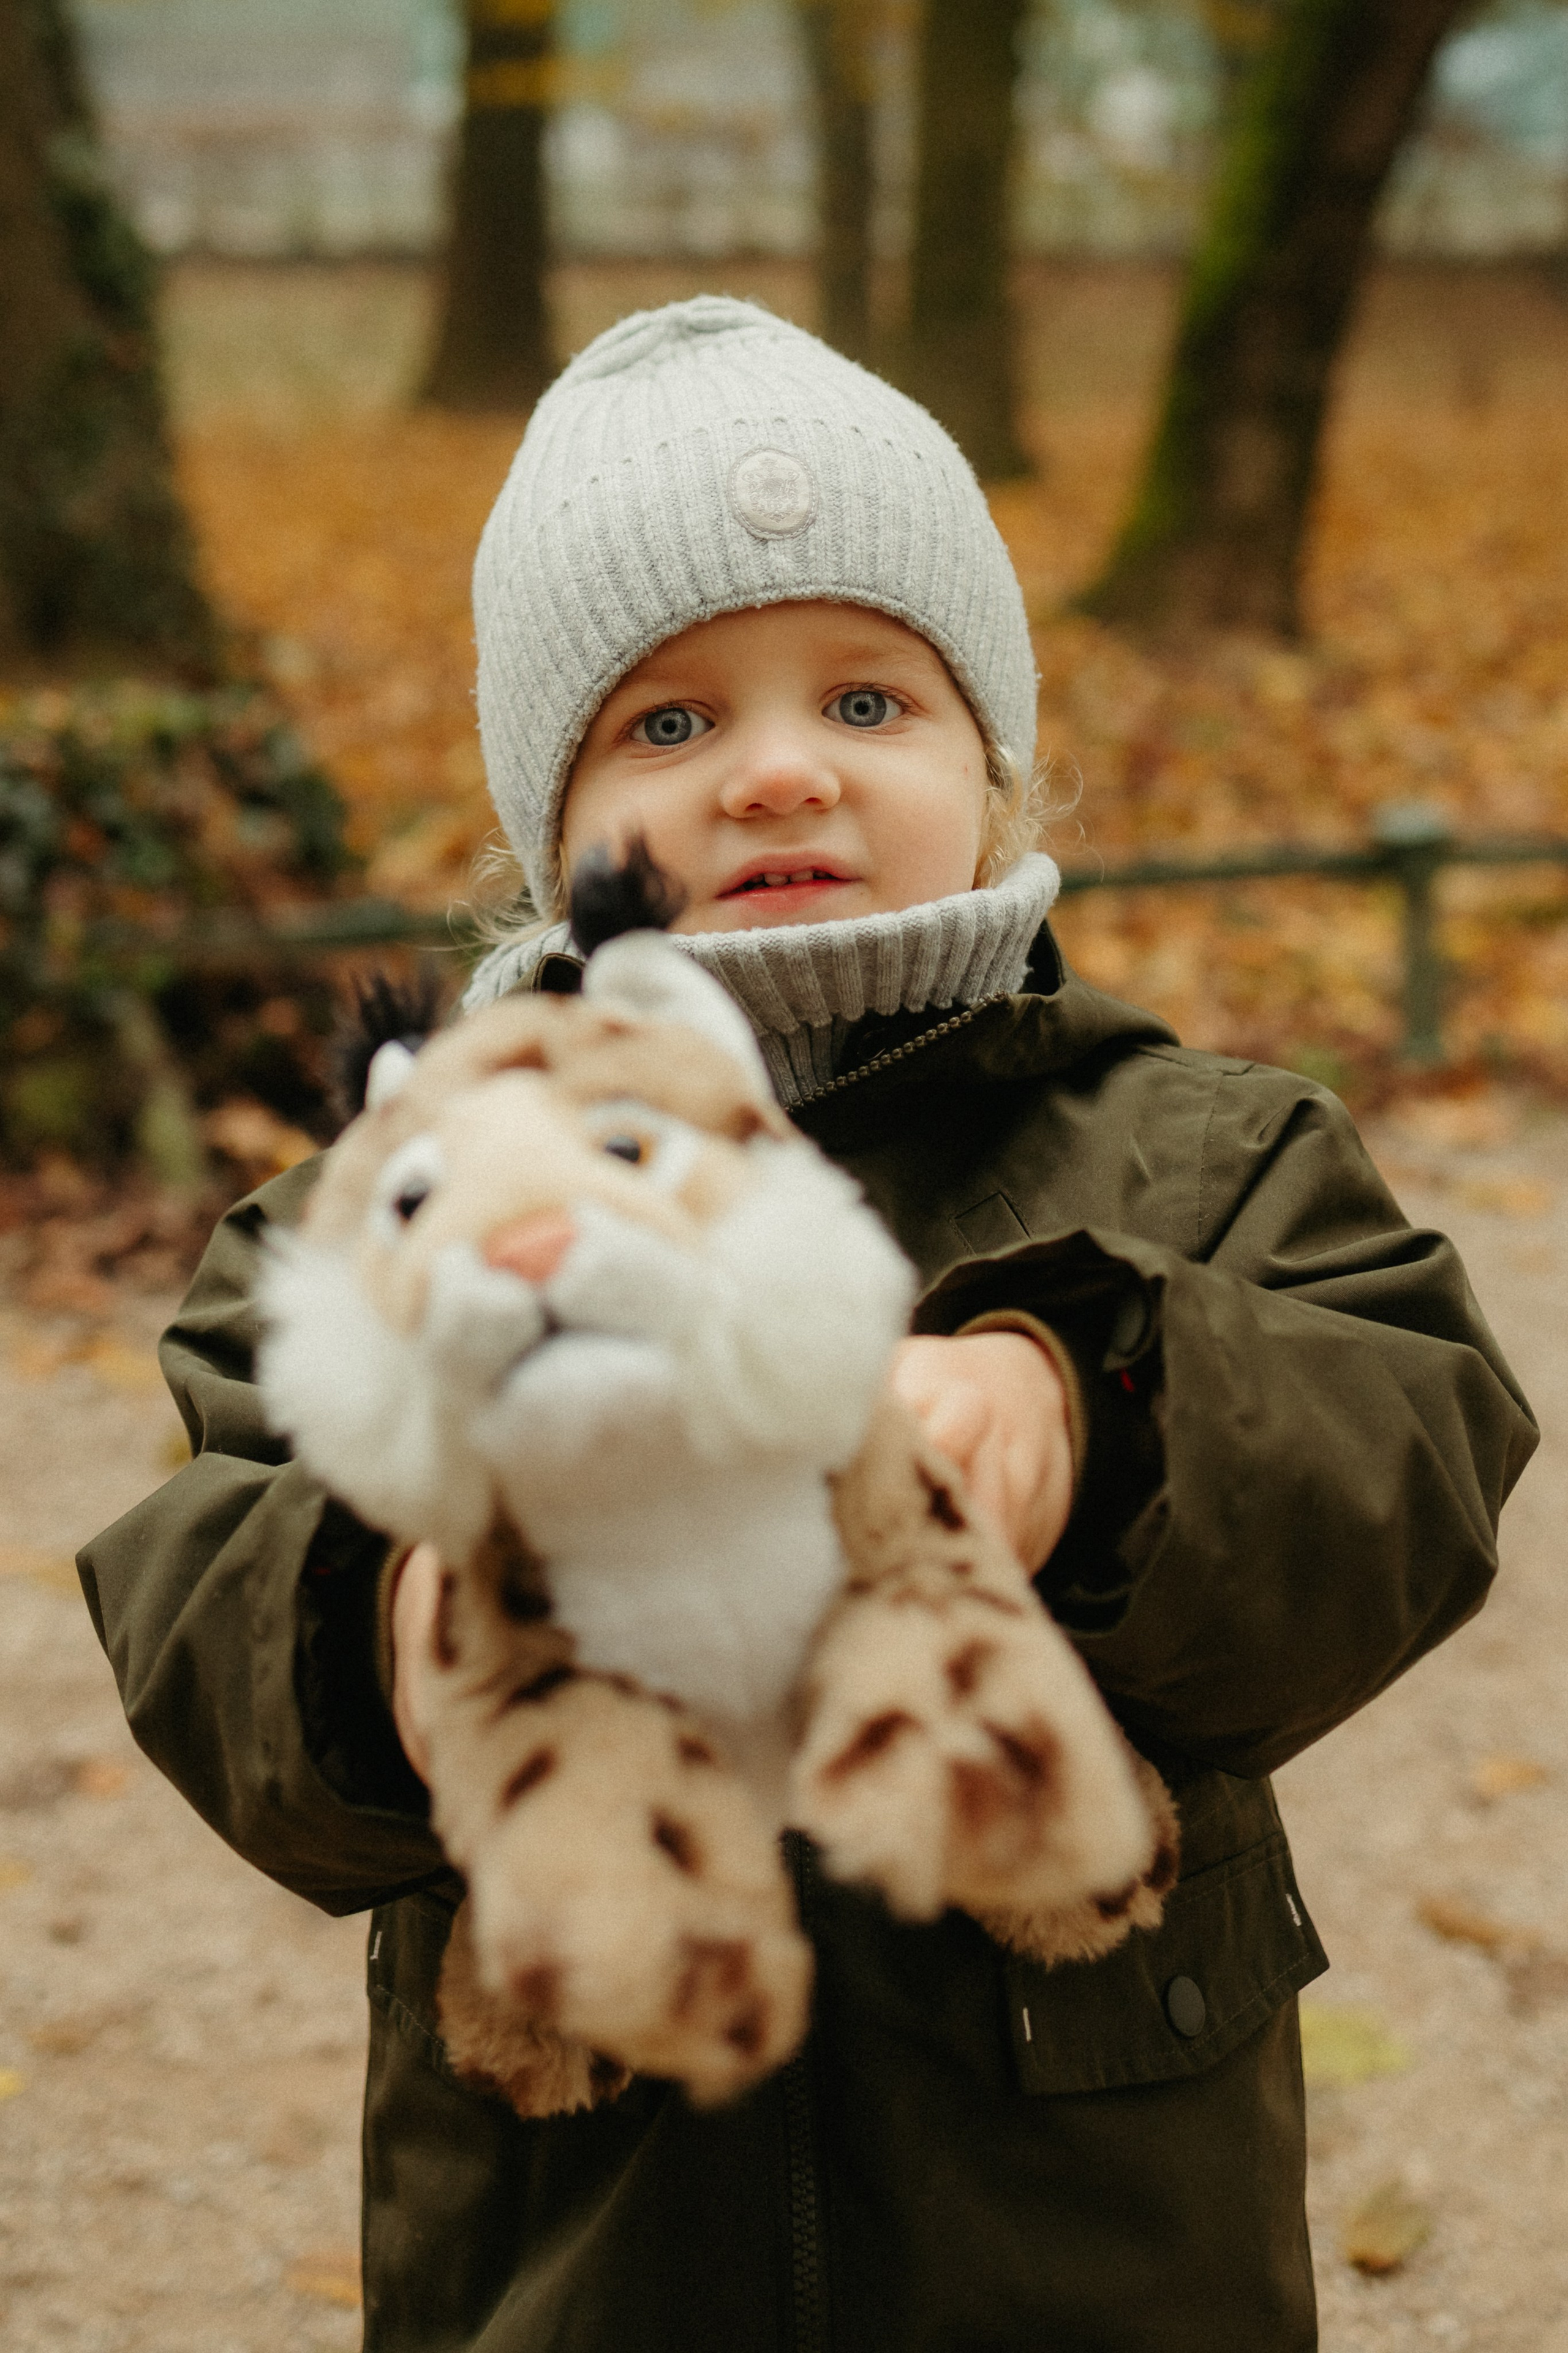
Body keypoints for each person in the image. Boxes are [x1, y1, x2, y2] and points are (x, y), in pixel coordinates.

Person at [80, 299, 1535, 2353]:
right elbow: (202, 1553)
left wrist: (1076, 1404)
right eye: (669, 727)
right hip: (580, 2240)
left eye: (869, 696)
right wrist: (392, 1622)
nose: (779, 772)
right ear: (551, 825)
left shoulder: (1191, 1143)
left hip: (1098, 2233)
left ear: (994, 768)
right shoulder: (408, 1204)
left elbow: (1409, 1431)